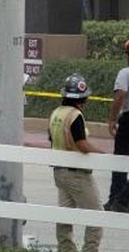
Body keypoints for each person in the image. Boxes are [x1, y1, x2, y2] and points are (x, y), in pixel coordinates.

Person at [50, 73, 102, 252]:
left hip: (59, 172)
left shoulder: (56, 113)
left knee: (65, 215)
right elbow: (81, 144)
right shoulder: (75, 115)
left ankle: (65, 249)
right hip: (76, 173)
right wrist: (102, 155)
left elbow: (52, 139)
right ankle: (90, 249)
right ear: (84, 98)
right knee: (97, 216)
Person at [107, 40, 129, 213]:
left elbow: (120, 95)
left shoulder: (125, 72)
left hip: (128, 119)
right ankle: (120, 200)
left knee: (120, 159)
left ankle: (117, 198)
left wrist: (113, 119)